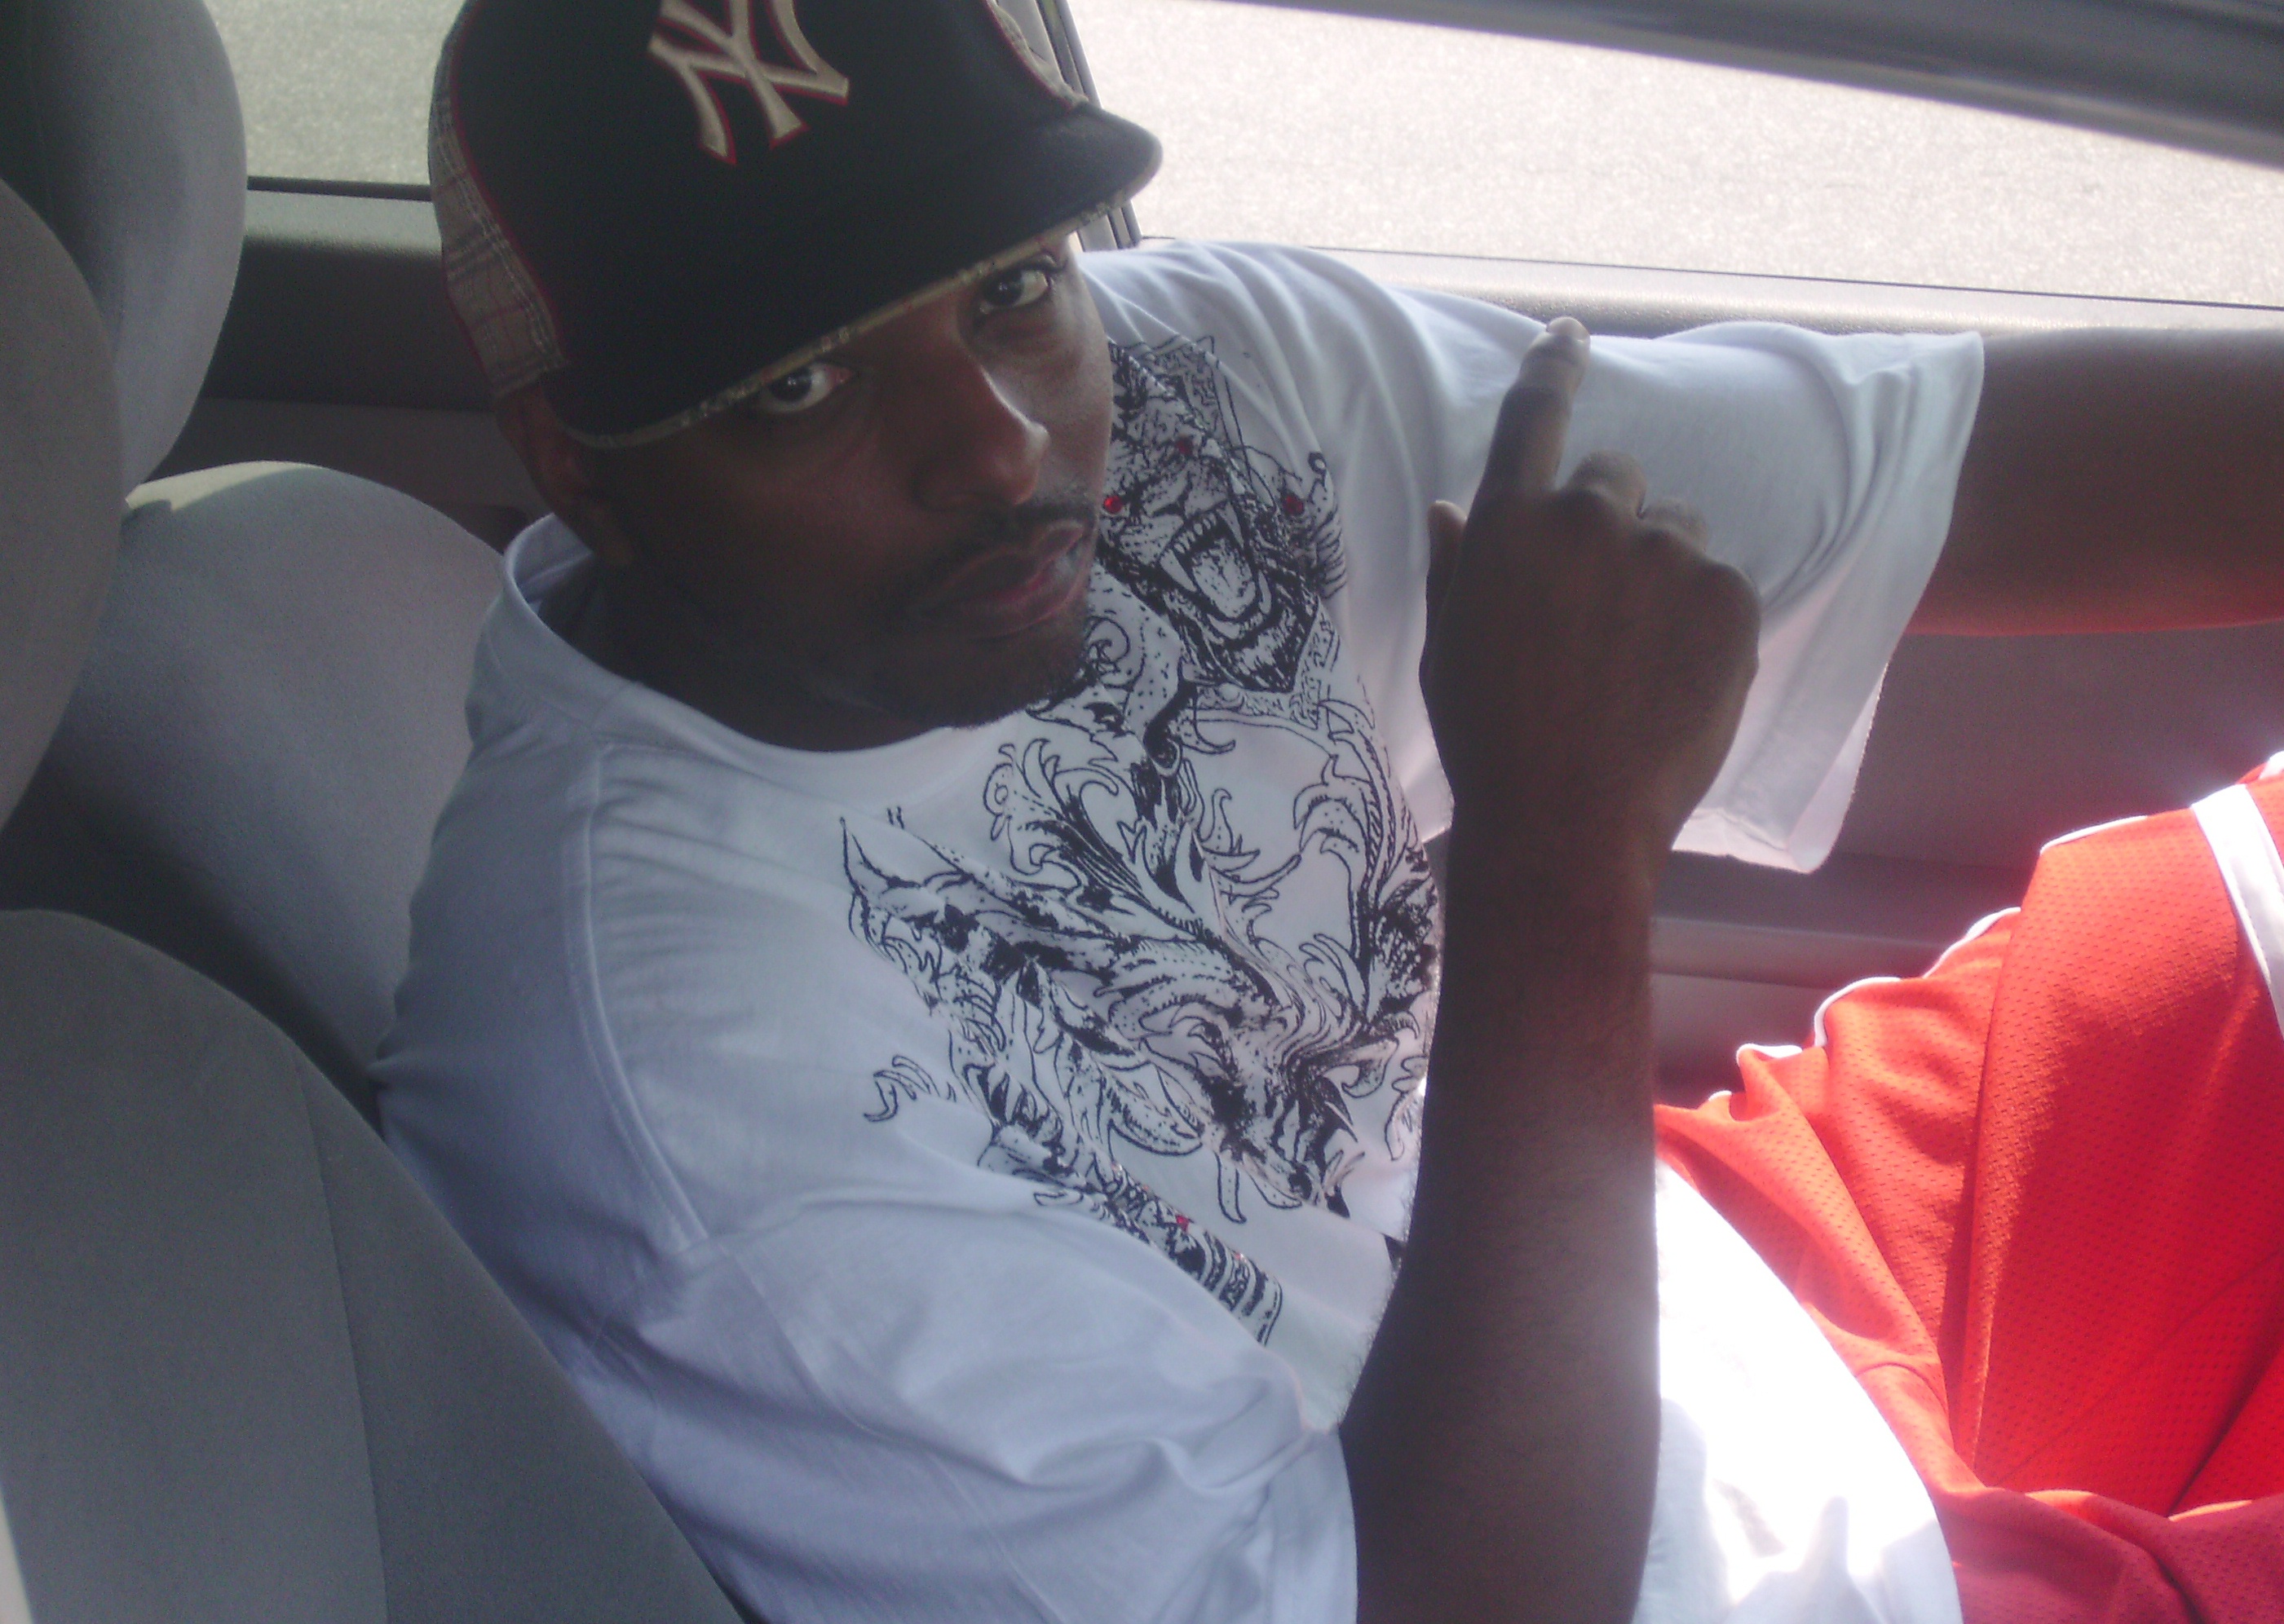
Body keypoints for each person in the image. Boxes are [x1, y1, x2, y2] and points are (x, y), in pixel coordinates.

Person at [373, 0, 2284, 1618]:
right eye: (801, 383)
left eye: (1014, 287)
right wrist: (1560, 854)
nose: (998, 446)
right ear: (580, 467)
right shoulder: (664, 1098)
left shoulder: (1196, 389)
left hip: (1651, 1291)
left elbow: (1949, 478)